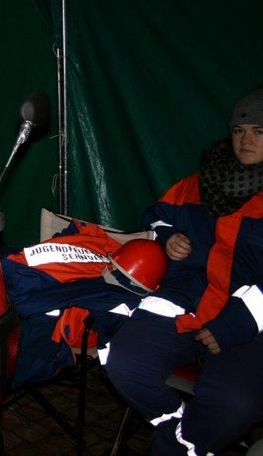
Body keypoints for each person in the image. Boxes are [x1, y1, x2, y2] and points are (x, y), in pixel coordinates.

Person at [104, 88, 263, 455]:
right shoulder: (201, 180)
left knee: (235, 403)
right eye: (239, 131)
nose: (246, 140)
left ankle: (173, 447)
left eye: (258, 131)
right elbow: (156, 216)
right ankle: (183, 434)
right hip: (185, 303)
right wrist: (167, 238)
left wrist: (237, 323)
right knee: (124, 362)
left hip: (248, 326)